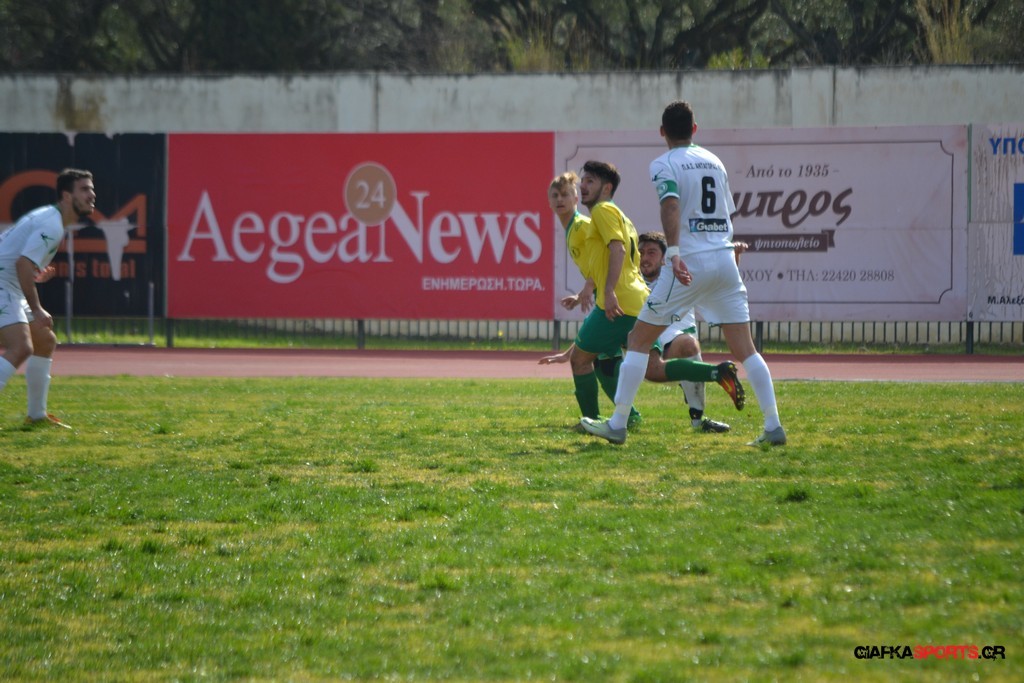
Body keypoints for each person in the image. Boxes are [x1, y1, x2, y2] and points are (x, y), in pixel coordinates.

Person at [581, 101, 785, 447]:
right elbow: (726, 214)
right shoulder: (715, 161)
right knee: (746, 349)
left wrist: (673, 253)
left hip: (689, 261)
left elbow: (671, 204)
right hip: (723, 258)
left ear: (662, 131)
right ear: (695, 129)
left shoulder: (664, 163)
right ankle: (773, 425)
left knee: (638, 341)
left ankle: (617, 424)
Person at [566, 160, 738, 444]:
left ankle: (596, 421)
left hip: (619, 302)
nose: (583, 186)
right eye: (582, 181)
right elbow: (625, 257)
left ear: (606, 188)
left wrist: (608, 291)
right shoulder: (620, 215)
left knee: (580, 359)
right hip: (637, 300)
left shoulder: (602, 210)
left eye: (590, 181)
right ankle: (716, 372)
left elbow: (617, 250)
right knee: (653, 369)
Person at [543, 170, 641, 427]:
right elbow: (595, 266)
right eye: (555, 195)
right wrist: (582, 293)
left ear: (576, 198)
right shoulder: (572, 229)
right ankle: (629, 417)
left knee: (582, 359)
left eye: (565, 194)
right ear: (549, 201)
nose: (560, 199)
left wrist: (593, 288)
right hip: (612, 296)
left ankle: (592, 420)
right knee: (605, 361)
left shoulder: (582, 226)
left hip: (615, 297)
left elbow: (607, 256)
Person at [0, 168, 96, 428]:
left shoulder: (50, 218)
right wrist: (37, 308)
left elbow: (17, 258)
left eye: (92, 189)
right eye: (84, 189)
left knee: (44, 340)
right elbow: (21, 263)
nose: (92, 195)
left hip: (8, 285)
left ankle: (36, 416)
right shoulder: (51, 224)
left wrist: (34, 274)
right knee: (21, 347)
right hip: (3, 285)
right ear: (67, 196)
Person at [637, 231, 735, 433]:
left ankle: (698, 421)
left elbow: (719, 285)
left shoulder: (680, 277)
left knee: (688, 345)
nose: (644, 258)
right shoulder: (630, 281)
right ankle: (619, 419)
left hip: (672, 348)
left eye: (651, 253)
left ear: (664, 258)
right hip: (639, 349)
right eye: (641, 252)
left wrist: (736, 258)